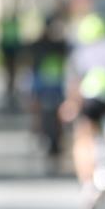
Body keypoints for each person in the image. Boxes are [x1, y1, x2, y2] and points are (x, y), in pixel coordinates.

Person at [60, 13, 105, 207]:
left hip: (90, 99)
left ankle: (88, 183)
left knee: (83, 137)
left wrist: (70, 105)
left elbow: (74, 83)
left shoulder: (78, 54)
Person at [26, 14, 71, 161]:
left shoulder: (42, 43)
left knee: (44, 108)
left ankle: (45, 135)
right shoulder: (59, 43)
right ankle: (42, 133)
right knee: (41, 108)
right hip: (48, 80)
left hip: (49, 81)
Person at [0, 13, 23, 110]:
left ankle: (11, 92)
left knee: (11, 74)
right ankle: (10, 92)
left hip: (10, 53)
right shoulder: (13, 25)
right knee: (11, 74)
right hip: (10, 53)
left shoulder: (9, 26)